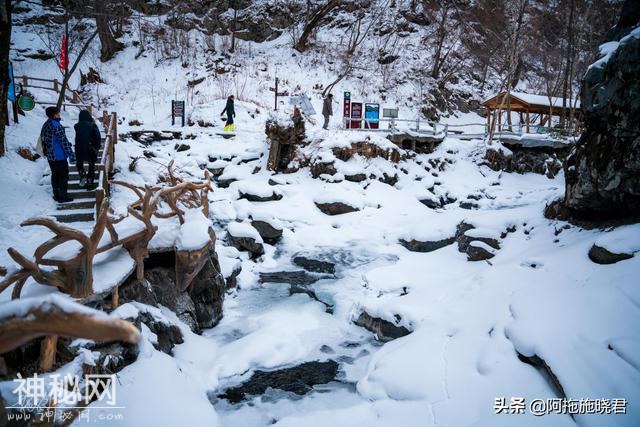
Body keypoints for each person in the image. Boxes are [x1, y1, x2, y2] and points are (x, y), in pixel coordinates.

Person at [41, 106, 75, 203]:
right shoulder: (57, 126)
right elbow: (63, 142)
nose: (59, 114)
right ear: (54, 114)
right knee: (63, 176)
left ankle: (56, 195)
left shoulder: (46, 124)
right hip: (59, 156)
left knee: (55, 175)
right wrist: (71, 155)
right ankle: (63, 197)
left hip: (50, 156)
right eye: (58, 113)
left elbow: (43, 139)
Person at [74, 110, 101, 189]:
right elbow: (98, 137)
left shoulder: (77, 126)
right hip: (90, 148)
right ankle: (89, 183)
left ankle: (82, 175)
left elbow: (77, 138)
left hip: (79, 148)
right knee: (91, 165)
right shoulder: (93, 125)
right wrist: (96, 147)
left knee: (79, 164)